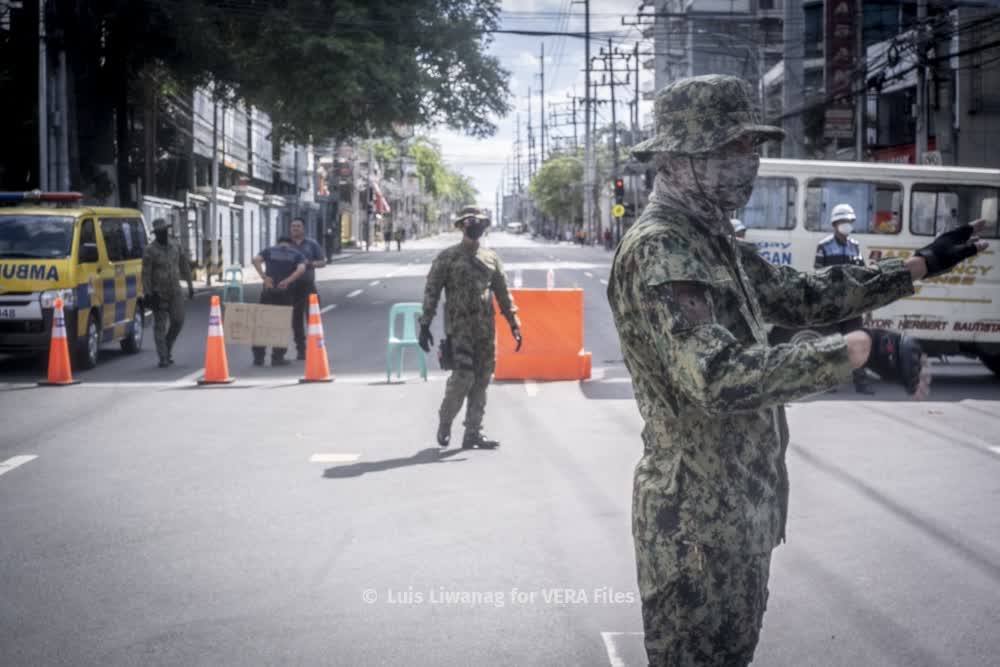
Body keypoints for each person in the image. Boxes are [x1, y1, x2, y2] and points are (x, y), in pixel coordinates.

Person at [608, 74, 986, 667]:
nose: (749, 162)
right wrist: (852, 352)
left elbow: (800, 295)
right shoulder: (664, 248)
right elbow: (715, 377)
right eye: (731, 149)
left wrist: (917, 265)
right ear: (678, 160)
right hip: (698, 530)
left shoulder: (711, 240)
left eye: (751, 147)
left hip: (737, 515)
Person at [417, 206, 523, 449]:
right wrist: (425, 324)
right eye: (470, 222)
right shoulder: (447, 258)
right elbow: (432, 292)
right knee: (463, 377)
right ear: (461, 226)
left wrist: (513, 323)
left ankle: (473, 433)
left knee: (482, 379)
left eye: (480, 222)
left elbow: (503, 293)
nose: (475, 226)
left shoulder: (491, 258)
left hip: (485, 330)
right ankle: (445, 421)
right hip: (459, 329)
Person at [814, 203, 874, 394]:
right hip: (832, 305)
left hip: (852, 305)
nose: (847, 224)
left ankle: (861, 383)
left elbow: (863, 276)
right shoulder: (824, 246)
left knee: (856, 343)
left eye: (849, 221)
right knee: (832, 344)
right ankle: (830, 383)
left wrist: (867, 305)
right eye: (843, 221)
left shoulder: (855, 247)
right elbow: (817, 277)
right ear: (835, 223)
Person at [142, 218, 194, 368]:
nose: (163, 234)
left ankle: (167, 345)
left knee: (178, 321)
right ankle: (163, 357)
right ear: (156, 234)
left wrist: (190, 285)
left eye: (164, 231)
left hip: (175, 291)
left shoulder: (175, 246)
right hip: (158, 293)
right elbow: (145, 274)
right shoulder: (150, 250)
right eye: (159, 232)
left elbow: (184, 266)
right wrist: (148, 293)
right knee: (160, 325)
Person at [251, 236, 307, 367]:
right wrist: (288, 280)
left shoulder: (270, 250)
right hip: (285, 293)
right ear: (291, 244)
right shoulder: (296, 253)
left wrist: (264, 277)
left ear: (278, 242)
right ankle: (277, 357)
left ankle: (258, 358)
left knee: (262, 324)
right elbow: (301, 269)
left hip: (268, 291)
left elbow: (255, 260)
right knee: (281, 325)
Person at [289, 218, 326, 361]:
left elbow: (323, 262)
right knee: (295, 319)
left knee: (313, 318)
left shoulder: (311, 244)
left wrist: (310, 264)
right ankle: (301, 349)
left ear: (303, 229)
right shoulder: (286, 245)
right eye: (293, 226)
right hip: (292, 287)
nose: (295, 228)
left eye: (298, 226)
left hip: (308, 286)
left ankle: (315, 346)